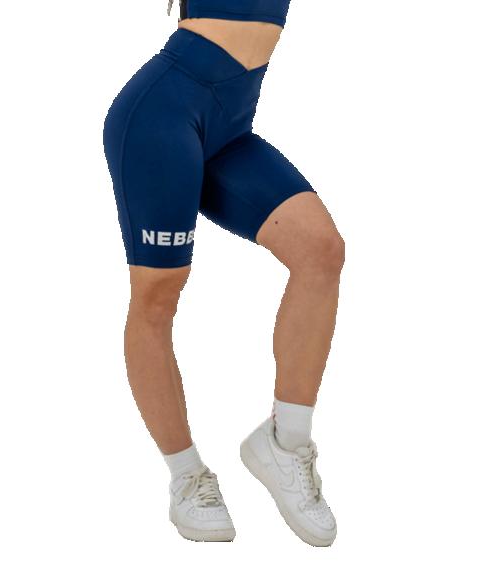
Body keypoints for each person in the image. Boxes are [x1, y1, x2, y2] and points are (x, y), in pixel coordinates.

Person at [102, 0, 344, 547]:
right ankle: (187, 476)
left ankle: (285, 443)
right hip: (161, 115)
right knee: (158, 294)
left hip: (231, 125)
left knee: (320, 251)